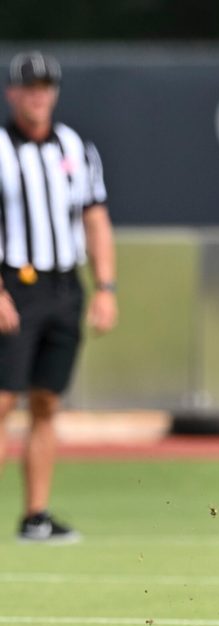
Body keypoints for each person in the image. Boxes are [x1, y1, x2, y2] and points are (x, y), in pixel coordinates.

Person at [0, 51, 118, 543]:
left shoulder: (74, 147)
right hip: (13, 282)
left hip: (64, 284)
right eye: (29, 87)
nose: (38, 95)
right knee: (3, 399)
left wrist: (105, 287)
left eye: (45, 86)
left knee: (47, 401)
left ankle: (36, 515)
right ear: (12, 93)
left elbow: (94, 217)